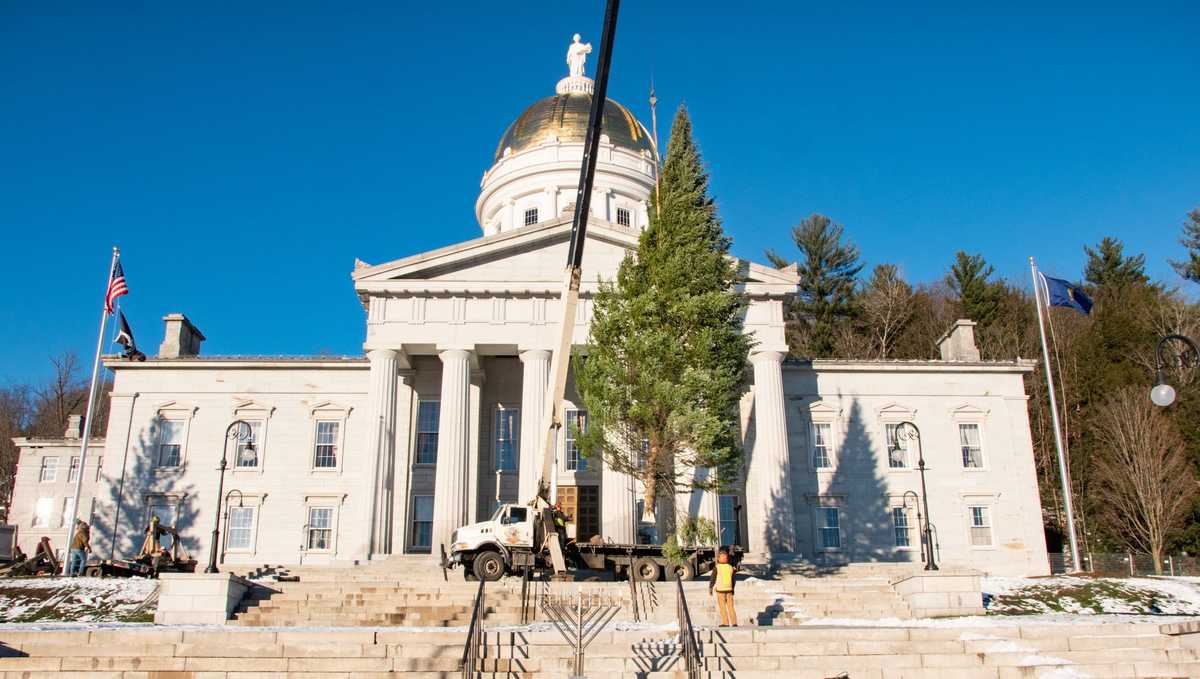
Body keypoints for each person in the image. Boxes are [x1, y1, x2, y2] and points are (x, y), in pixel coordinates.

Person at [709, 548, 737, 627]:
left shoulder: (717, 568)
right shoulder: (730, 567)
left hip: (720, 590)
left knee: (722, 607)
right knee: (731, 607)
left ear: (718, 558)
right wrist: (732, 589)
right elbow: (733, 580)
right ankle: (734, 623)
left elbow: (713, 579)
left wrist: (710, 588)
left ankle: (726, 623)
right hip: (729, 590)